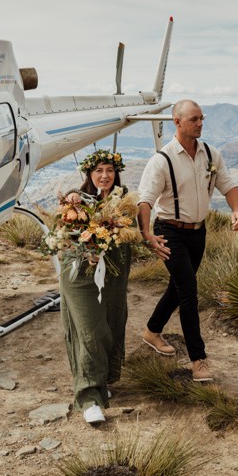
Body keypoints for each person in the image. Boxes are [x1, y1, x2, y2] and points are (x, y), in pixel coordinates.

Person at [138, 100, 238, 383]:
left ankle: (151, 331)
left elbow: (228, 185)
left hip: (198, 231)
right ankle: (199, 359)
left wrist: (236, 210)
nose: (200, 123)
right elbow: (145, 201)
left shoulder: (210, 153)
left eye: (202, 119)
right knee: (188, 291)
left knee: (179, 286)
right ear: (178, 122)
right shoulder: (162, 160)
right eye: (194, 119)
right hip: (169, 231)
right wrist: (147, 234)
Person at [57, 149, 134, 426]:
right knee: (90, 330)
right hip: (80, 276)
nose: (105, 176)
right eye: (99, 171)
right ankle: (89, 397)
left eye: (110, 171)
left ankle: (103, 380)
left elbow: (131, 232)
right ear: (90, 174)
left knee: (112, 322)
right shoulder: (76, 201)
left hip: (114, 272)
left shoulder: (124, 201)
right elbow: (65, 238)